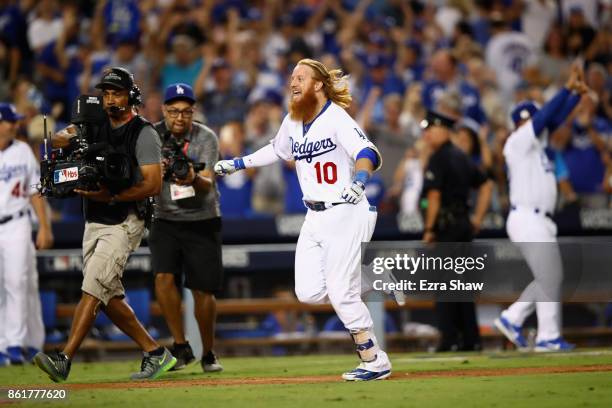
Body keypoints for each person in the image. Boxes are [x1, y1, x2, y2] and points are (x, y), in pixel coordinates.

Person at [214, 58, 392, 381]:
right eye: (291, 77)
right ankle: (365, 278)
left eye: (300, 77)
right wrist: (239, 162)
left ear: (318, 84)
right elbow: (276, 150)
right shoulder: (293, 120)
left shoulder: (336, 117)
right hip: (314, 215)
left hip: (347, 209)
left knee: (341, 293)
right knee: (308, 293)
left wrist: (360, 181)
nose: (292, 83)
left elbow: (367, 153)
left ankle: (374, 360)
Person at [33, 67, 176, 382]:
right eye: (107, 93)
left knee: (94, 286)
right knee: (107, 294)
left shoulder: (143, 132)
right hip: (95, 219)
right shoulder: (93, 124)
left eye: (117, 93)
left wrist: (113, 195)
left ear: (131, 96)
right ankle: (155, 353)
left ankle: (64, 358)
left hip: (126, 218)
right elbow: (61, 137)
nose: (111, 99)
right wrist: (67, 136)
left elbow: (153, 184)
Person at [494, 64, 586, 352]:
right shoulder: (517, 142)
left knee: (550, 276)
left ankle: (514, 318)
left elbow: (553, 119)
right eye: (528, 121)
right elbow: (547, 117)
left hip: (539, 219)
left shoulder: (539, 148)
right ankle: (545, 335)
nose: (534, 124)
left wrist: (574, 96)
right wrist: (566, 89)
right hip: (526, 217)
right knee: (550, 276)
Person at [150, 83, 224, 373]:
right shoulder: (150, 136)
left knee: (203, 291)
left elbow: (208, 185)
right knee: (163, 278)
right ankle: (181, 346)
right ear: (164, 111)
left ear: (193, 112)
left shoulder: (206, 137)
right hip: (164, 218)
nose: (180, 118)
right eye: (174, 111)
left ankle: (208, 351)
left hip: (202, 220)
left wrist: (191, 176)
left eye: (186, 112)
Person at [420, 110, 493, 352]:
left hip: (446, 228)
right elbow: (485, 184)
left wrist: (430, 228)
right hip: (463, 226)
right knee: (462, 285)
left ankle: (448, 338)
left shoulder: (439, 157)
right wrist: (477, 219)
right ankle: (470, 339)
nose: (427, 134)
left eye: (431, 129)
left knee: (443, 285)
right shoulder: (461, 156)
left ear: (443, 130)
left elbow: (434, 194)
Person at [0, 103, 53, 366]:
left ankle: (14, 345)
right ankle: (7, 344)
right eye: (11, 121)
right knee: (5, 286)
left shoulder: (22, 151)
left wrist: (44, 226)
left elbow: (35, 192)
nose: (15, 125)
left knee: (17, 282)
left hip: (16, 223)